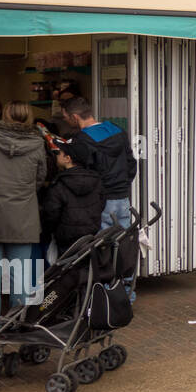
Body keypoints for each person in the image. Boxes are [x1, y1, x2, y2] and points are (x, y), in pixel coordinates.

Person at [62, 97, 138, 300]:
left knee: (102, 250)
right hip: (122, 198)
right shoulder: (117, 131)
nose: (65, 121)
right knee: (123, 247)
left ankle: (105, 298)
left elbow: (85, 175)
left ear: (75, 117)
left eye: (66, 118)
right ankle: (126, 294)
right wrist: (122, 186)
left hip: (102, 201)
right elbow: (131, 164)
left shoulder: (82, 141)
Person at [0, 101, 47, 312]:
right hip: (23, 215)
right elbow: (40, 177)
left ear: (5, 115)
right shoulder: (37, 142)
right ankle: (18, 322)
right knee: (21, 273)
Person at [39, 138, 104, 253]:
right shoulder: (97, 181)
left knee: (64, 268)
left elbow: (51, 214)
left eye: (60, 153)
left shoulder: (59, 184)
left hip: (65, 239)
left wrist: (47, 232)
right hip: (90, 236)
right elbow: (101, 205)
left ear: (67, 159)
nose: (57, 155)